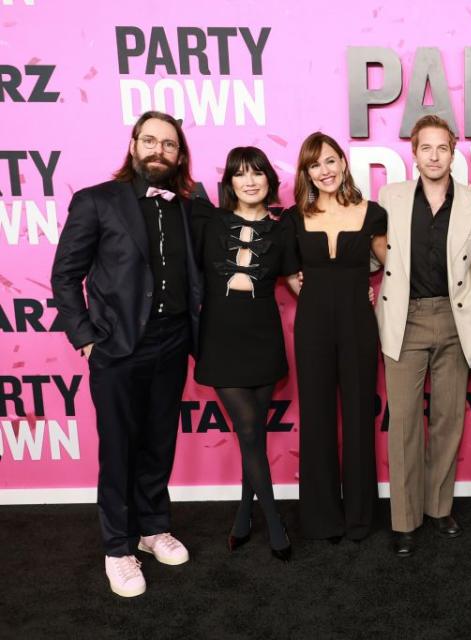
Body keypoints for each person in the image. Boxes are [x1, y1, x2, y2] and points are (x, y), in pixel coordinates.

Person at [51, 111, 203, 597]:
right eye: (151, 141)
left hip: (173, 340)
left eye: (170, 145)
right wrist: (86, 336)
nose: (160, 151)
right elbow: (64, 274)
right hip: (116, 347)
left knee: (160, 442)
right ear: (134, 144)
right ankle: (117, 548)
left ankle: (153, 527)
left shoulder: (188, 204)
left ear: (179, 156)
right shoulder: (97, 201)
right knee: (119, 449)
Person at [376, 115, 471, 557]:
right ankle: (404, 520)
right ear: (414, 152)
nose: (434, 155)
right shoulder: (391, 197)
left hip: (455, 318)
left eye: (442, 148)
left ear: (453, 151)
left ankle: (439, 507)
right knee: (404, 421)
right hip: (404, 320)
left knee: (448, 419)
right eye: (426, 148)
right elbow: (376, 254)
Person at [191, 146, 299, 560]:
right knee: (251, 433)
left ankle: (242, 516)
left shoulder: (283, 229)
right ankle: (274, 521)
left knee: (251, 437)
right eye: (240, 174)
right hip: (220, 342)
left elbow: (296, 278)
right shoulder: (207, 220)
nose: (250, 180)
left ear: (270, 180)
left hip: (264, 339)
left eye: (257, 173)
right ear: (229, 183)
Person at [288, 132, 387, 543]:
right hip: (311, 325)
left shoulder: (372, 212)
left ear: (343, 163)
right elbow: (292, 275)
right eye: (315, 165)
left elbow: (393, 263)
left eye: (330, 161)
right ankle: (322, 518)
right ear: (306, 173)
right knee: (316, 417)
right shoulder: (294, 217)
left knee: (360, 416)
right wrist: (320, 296)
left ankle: (360, 518)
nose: (325, 171)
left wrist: (365, 293)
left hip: (358, 324)